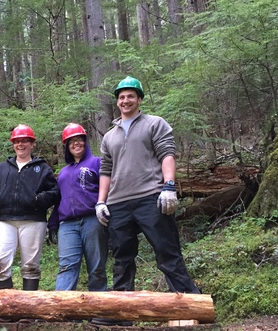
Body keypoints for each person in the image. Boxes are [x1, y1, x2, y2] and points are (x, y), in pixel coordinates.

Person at [96, 76, 200, 294]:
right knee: (122, 259)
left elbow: (167, 155)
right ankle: (121, 312)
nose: (126, 100)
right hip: (118, 204)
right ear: (117, 102)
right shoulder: (108, 137)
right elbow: (105, 171)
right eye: (122, 97)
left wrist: (169, 186)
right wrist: (100, 202)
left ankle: (189, 306)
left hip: (151, 197)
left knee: (167, 252)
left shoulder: (154, 123)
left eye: (131, 96)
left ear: (139, 99)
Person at [0, 124, 59, 291]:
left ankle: (28, 311)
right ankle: (6, 307)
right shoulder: (2, 168)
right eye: (17, 141)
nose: (21, 145)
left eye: (25, 141)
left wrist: (37, 199)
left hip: (33, 220)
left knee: (30, 266)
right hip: (6, 220)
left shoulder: (42, 168)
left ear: (32, 144)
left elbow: (54, 191)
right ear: (13, 144)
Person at [48, 123, 108, 291]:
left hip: (92, 220)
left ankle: (98, 311)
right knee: (67, 266)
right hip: (67, 225)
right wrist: (53, 224)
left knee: (96, 267)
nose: (76, 143)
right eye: (71, 141)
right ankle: (61, 310)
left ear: (85, 141)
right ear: (66, 146)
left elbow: (108, 188)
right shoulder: (63, 173)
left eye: (79, 139)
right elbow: (59, 200)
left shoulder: (97, 162)